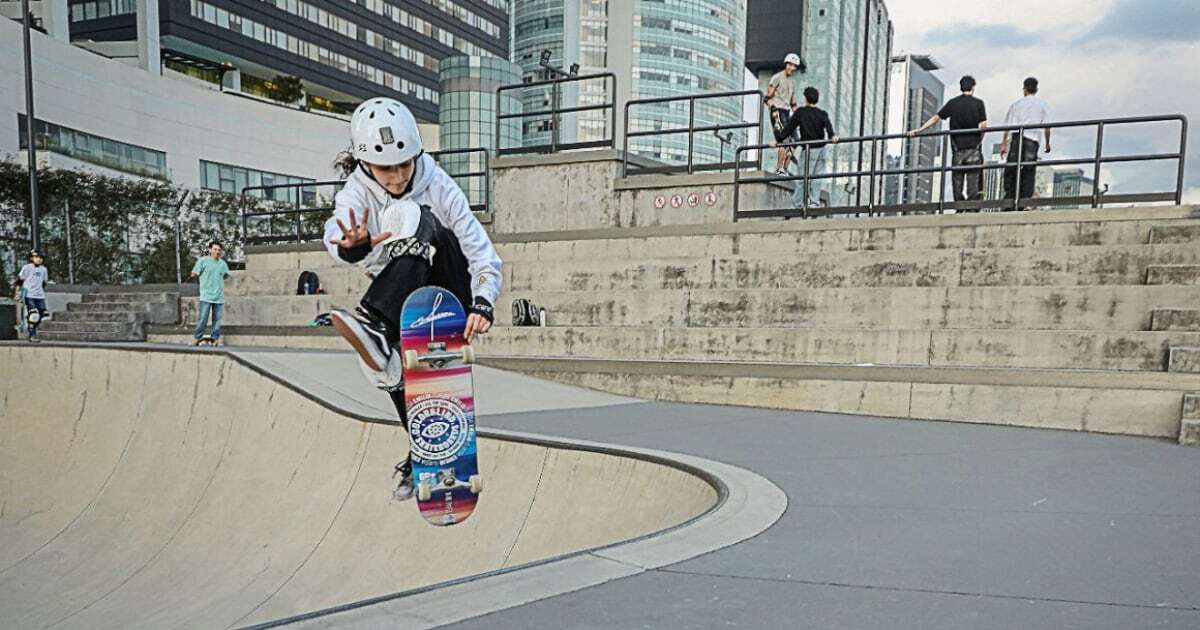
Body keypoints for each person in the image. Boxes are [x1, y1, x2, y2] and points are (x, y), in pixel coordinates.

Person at [323, 96, 502, 501]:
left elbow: (480, 248)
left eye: (405, 164)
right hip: (405, 299)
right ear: (365, 162)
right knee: (395, 371)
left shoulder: (436, 182)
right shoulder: (356, 193)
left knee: (417, 217)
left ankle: (376, 324)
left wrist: (482, 301)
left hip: (448, 281)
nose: (400, 176)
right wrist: (351, 247)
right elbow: (335, 232)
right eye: (388, 168)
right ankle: (424, 451)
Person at [909, 75, 989, 206]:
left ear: (960, 87)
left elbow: (936, 118)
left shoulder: (953, 103)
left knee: (957, 182)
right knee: (973, 182)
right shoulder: (979, 103)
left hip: (957, 149)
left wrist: (919, 130)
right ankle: (970, 208)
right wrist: (979, 140)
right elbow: (984, 125)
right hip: (974, 149)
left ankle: (959, 206)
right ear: (973, 87)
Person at [773, 87, 840, 208]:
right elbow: (829, 129)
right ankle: (814, 203)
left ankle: (798, 203)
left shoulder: (801, 112)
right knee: (817, 177)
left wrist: (778, 140)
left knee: (802, 177)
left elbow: (789, 128)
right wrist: (833, 136)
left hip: (809, 149)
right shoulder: (822, 113)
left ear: (805, 98)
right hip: (821, 149)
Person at [1001, 77, 1051, 209]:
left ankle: (1010, 199)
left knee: (1012, 169)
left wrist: (1004, 143)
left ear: (1024, 89)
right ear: (1036, 89)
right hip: (1032, 139)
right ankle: (1025, 201)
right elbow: (1047, 126)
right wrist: (1047, 143)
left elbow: (1007, 125)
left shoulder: (1016, 104)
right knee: (1029, 170)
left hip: (1017, 137)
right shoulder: (1042, 104)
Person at [188, 241, 231, 346]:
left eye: (219, 250)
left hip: (219, 297)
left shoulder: (222, 264)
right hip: (206, 296)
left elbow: (226, 275)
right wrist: (194, 274)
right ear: (210, 250)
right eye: (215, 249)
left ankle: (215, 339)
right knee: (203, 318)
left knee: (217, 320)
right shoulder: (203, 261)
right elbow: (194, 273)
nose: (217, 252)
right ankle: (197, 337)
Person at [766, 53, 802, 175]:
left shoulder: (792, 82)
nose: (792, 68)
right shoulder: (777, 78)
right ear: (786, 64)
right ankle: (779, 168)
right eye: (790, 65)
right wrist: (773, 109)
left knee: (795, 140)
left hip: (787, 113)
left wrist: (799, 116)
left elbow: (793, 103)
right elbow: (767, 98)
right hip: (777, 110)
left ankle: (785, 169)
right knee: (784, 139)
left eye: (794, 66)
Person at [16, 250, 49, 343]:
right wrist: (17, 292)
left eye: (40, 258)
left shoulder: (44, 269)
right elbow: (20, 280)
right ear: (31, 258)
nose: (39, 260)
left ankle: (30, 324)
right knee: (34, 315)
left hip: (39, 295)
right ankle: (32, 334)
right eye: (36, 257)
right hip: (29, 294)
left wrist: (40, 290)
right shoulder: (27, 268)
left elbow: (44, 282)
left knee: (43, 315)